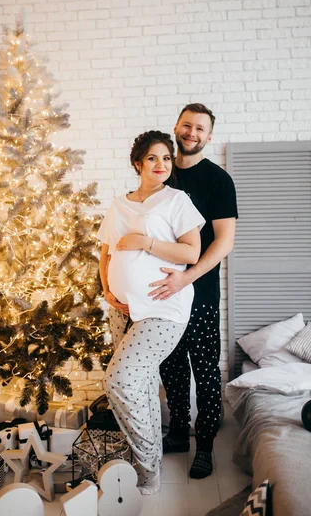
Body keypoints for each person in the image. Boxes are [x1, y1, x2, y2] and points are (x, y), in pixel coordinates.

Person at [97, 130, 205, 495]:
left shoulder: (177, 200)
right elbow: (106, 253)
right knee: (140, 384)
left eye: (166, 158)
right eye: (153, 158)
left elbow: (192, 252)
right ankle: (150, 461)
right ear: (137, 163)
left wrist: (146, 242)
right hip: (124, 309)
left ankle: (146, 469)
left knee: (120, 380)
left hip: (163, 307)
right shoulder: (120, 204)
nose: (161, 164)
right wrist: (108, 289)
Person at [150, 104, 238, 480]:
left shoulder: (218, 180)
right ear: (176, 127)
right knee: (170, 369)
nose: (192, 133)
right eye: (187, 125)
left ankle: (204, 447)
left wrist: (187, 278)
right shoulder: (159, 177)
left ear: (209, 136)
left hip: (198, 293)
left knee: (204, 373)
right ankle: (178, 436)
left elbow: (224, 242)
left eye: (200, 128)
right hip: (162, 294)